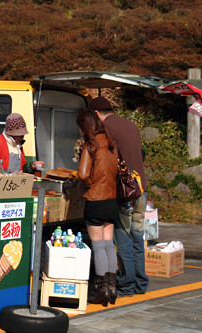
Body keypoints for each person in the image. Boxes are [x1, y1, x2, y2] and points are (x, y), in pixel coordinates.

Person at [92, 96, 149, 297]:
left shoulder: (107, 130)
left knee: (122, 238)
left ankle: (126, 284)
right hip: (141, 189)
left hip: (125, 193)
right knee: (137, 237)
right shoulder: (131, 125)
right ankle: (141, 283)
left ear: (97, 114)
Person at [76, 110, 118, 307]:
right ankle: (112, 288)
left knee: (98, 246)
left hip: (96, 198)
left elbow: (83, 173)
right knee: (109, 244)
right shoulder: (110, 142)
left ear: (86, 126)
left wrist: (88, 181)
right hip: (111, 199)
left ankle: (101, 290)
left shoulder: (90, 145)